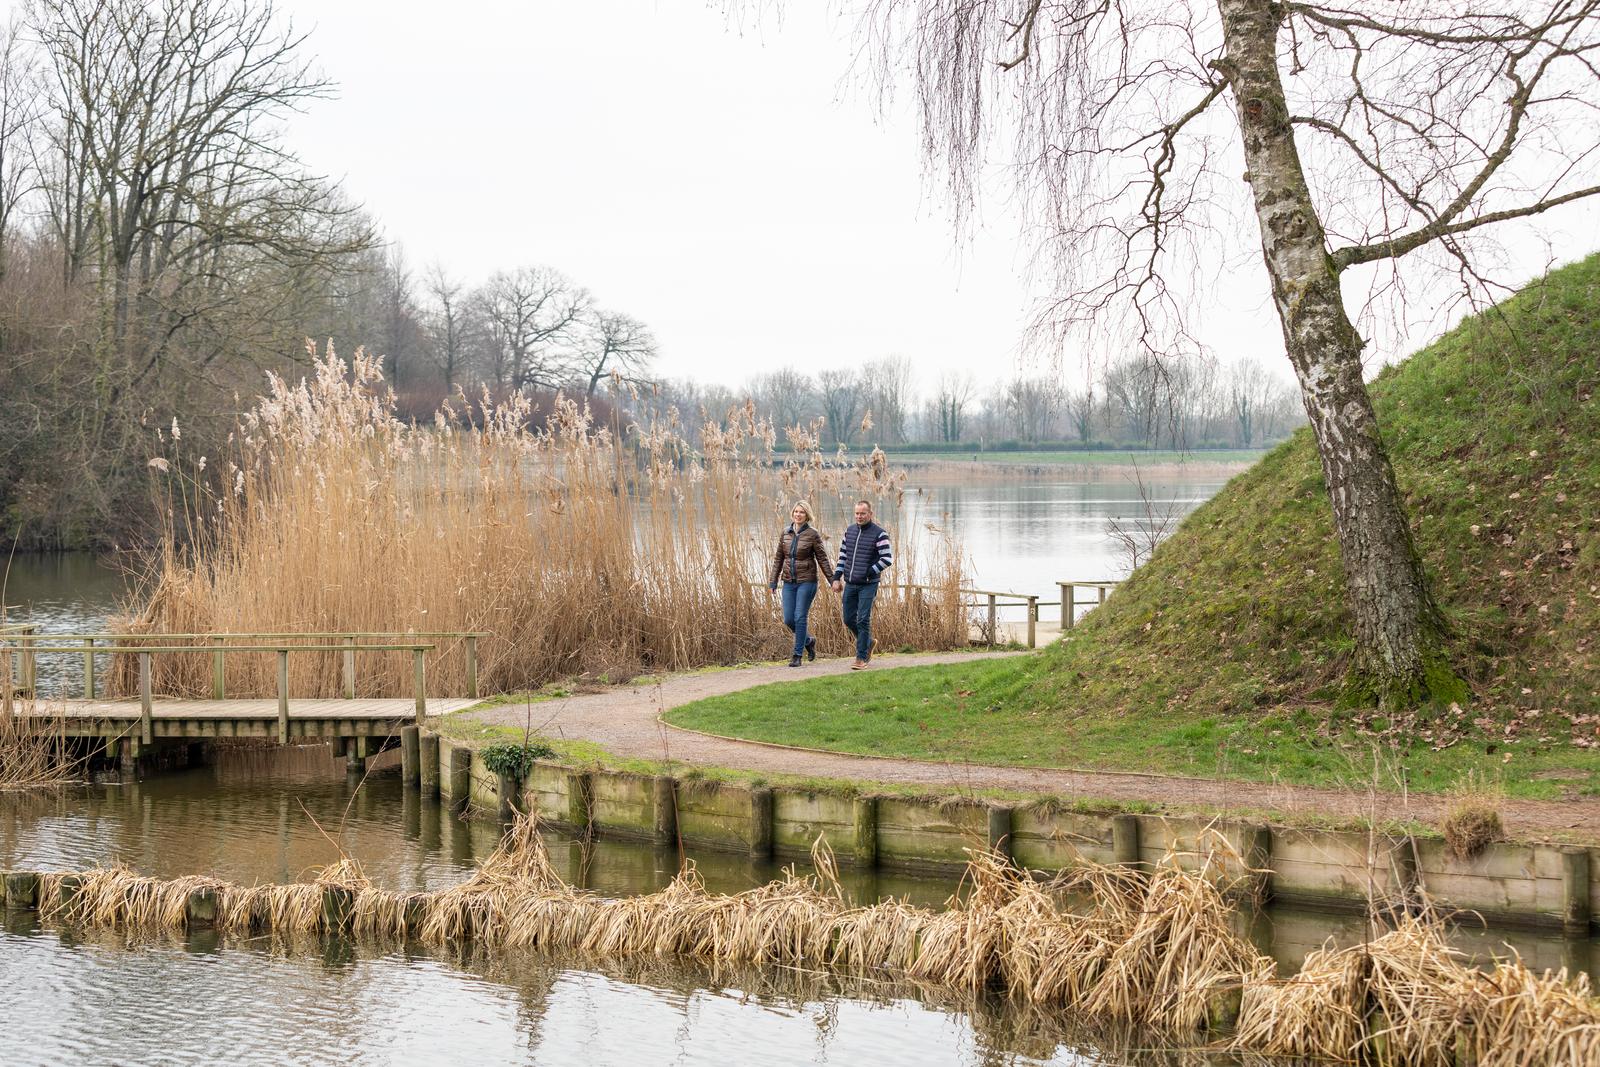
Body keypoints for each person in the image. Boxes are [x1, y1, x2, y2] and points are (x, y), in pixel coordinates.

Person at [768, 500, 832, 667]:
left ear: (807, 515)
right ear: (792, 514)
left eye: (801, 512)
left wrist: (832, 580)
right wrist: (773, 581)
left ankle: (797, 655)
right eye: (796, 511)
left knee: (800, 616)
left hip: (807, 581)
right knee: (789, 619)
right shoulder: (785, 533)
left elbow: (822, 559)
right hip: (788, 582)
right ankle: (809, 641)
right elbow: (778, 559)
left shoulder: (813, 534)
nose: (798, 514)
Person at [832, 499, 892, 670]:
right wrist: (837, 577)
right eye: (857, 513)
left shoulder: (880, 534)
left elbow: (887, 559)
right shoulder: (849, 532)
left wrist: (869, 571)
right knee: (848, 618)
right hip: (850, 583)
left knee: (863, 619)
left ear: (870, 514)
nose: (859, 516)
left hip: (868, 583)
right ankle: (869, 641)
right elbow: (842, 556)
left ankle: (861, 657)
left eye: (862, 513)